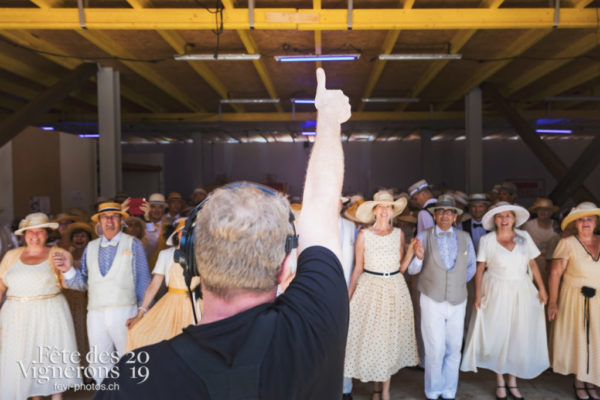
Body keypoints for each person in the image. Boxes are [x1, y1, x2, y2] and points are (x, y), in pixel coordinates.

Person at [94, 67, 351, 399]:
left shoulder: (134, 379)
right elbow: (321, 204)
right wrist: (328, 117)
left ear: (191, 263)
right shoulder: (315, 325)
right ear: (288, 267)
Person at [54, 202, 152, 383]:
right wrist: (68, 270)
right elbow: (82, 283)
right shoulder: (90, 247)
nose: (109, 221)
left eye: (114, 216)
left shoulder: (133, 243)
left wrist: (142, 312)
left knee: (130, 358)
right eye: (105, 217)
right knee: (99, 362)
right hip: (96, 313)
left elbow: (143, 281)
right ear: (98, 221)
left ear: (121, 220)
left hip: (126, 310)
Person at [461, 202, 549, 400]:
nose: (504, 219)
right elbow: (480, 269)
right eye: (500, 216)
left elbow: (533, 264)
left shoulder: (524, 237)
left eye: (508, 215)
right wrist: (477, 296)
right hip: (495, 290)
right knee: (498, 334)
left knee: (518, 335)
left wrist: (542, 289)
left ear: (514, 218)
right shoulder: (487, 240)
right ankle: (500, 381)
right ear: (494, 220)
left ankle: (513, 381)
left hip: (522, 289)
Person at [344, 190, 419, 400]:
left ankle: (384, 392)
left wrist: (411, 251)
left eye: (389, 207)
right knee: (373, 340)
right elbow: (358, 268)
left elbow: (401, 268)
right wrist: (348, 298)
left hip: (394, 289)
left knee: (388, 341)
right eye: (381, 207)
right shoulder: (364, 235)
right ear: (375, 210)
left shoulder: (399, 234)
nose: (385, 210)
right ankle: (376, 389)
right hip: (370, 289)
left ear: (392, 211)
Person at [0, 213, 82, 399]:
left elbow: (71, 284)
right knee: (22, 357)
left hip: (50, 312)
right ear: (23, 234)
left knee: (49, 354)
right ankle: (33, 396)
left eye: (40, 232)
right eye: (30, 232)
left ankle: (56, 396)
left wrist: (69, 270)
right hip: (16, 315)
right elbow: (1, 285)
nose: (35, 236)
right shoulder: (11, 256)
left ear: (47, 234)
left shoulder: (59, 254)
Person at [407, 194, 476, 400]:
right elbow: (412, 270)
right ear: (434, 216)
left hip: (458, 299)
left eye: (449, 212)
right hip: (431, 298)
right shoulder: (423, 235)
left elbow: (471, 266)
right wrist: (418, 259)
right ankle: (433, 391)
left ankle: (449, 391)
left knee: (454, 347)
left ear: (455, 217)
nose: (445, 215)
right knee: (435, 348)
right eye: (440, 211)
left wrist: (456, 282)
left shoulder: (465, 238)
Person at [548, 202, 600, 400]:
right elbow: (555, 273)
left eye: (589, 219)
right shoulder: (568, 243)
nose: (585, 222)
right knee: (580, 340)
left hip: (599, 299)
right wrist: (553, 302)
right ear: (575, 224)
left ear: (596, 222)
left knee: (596, 341)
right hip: (575, 298)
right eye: (581, 219)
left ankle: (592, 381)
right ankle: (580, 381)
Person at [125, 218, 201, 352]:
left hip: (198, 304)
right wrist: (140, 314)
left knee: (197, 346)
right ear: (176, 234)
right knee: (145, 335)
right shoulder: (166, 255)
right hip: (171, 304)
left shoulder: (203, 255)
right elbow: (154, 285)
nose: (185, 235)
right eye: (182, 231)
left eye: (190, 232)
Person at [63, 221, 95, 372]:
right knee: (73, 332)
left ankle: (89, 369)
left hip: (89, 300)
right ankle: (76, 370)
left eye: (83, 236)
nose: (79, 239)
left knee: (88, 333)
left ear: (88, 239)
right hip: (70, 300)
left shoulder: (93, 254)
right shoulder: (66, 254)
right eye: (76, 236)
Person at [523, 198, 560, 285]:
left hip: (552, 263)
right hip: (533, 262)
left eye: (547, 210)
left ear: (551, 212)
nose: (543, 212)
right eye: (540, 209)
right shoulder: (528, 226)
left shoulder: (556, 225)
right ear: (536, 211)